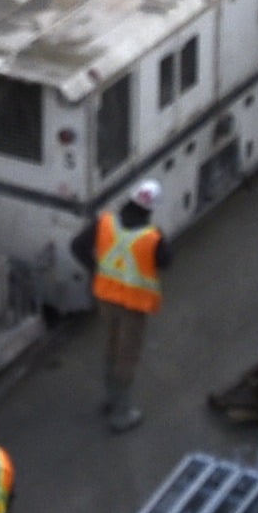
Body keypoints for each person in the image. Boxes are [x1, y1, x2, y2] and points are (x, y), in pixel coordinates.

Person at [75, 183, 168, 432]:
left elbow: (77, 246)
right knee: (126, 356)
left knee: (112, 347)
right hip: (133, 305)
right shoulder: (152, 237)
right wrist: (159, 236)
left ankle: (110, 399)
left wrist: (97, 271)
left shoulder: (105, 222)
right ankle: (121, 413)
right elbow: (166, 262)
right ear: (151, 208)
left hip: (106, 299)